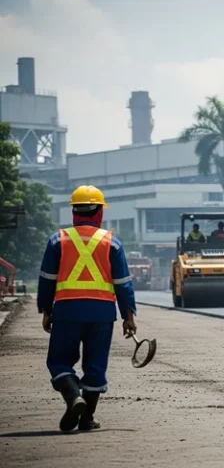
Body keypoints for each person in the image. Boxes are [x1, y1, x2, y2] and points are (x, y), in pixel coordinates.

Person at [37, 185, 137, 432]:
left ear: (74, 212)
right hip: (101, 314)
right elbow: (123, 284)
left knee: (59, 361)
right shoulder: (112, 242)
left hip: (67, 311)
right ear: (99, 212)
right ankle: (87, 417)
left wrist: (46, 310)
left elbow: (47, 279)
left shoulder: (56, 240)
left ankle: (73, 398)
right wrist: (128, 316)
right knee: (95, 366)